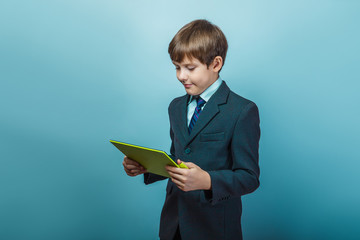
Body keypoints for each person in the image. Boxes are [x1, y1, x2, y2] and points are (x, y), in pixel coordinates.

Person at [123, 19, 260, 240]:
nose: (181, 76)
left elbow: (249, 177)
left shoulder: (242, 110)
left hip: (214, 228)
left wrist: (207, 180)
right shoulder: (176, 106)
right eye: (177, 67)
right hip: (173, 223)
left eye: (190, 68)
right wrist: (145, 167)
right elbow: (178, 158)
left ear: (215, 64)